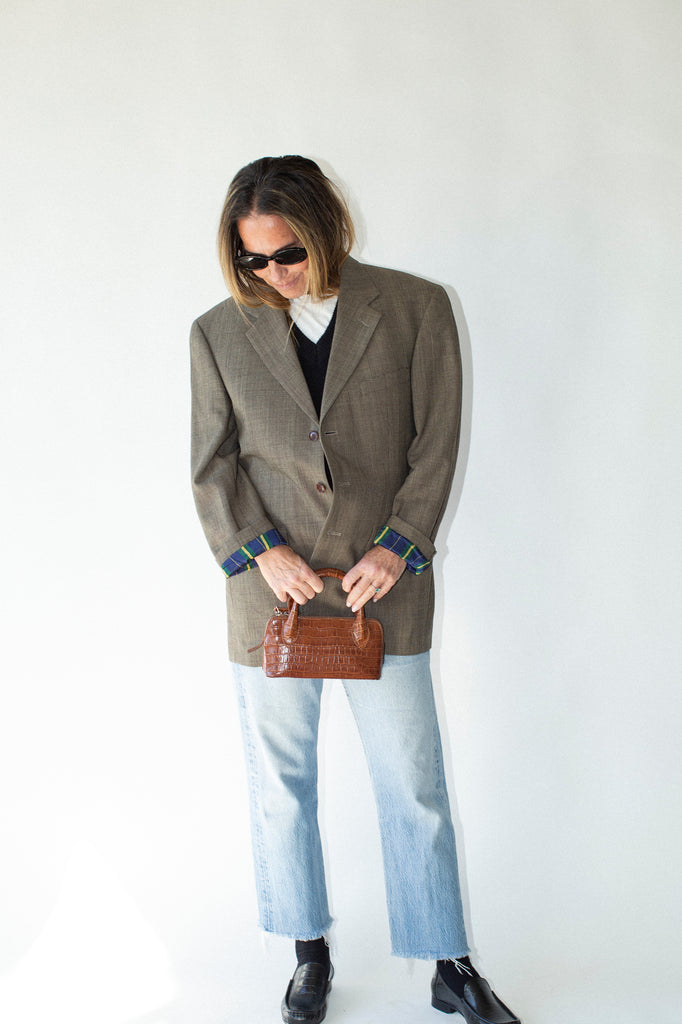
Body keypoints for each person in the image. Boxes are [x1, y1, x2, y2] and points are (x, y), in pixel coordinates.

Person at [190, 155, 521, 1024]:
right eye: (253, 260)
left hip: (386, 585)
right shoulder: (216, 332)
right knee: (281, 785)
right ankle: (307, 955)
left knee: (412, 783)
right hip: (273, 596)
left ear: (328, 229)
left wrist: (401, 546)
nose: (272, 275)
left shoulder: (414, 306)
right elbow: (211, 465)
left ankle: (450, 963)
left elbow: (436, 442)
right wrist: (260, 553)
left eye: (287, 254)